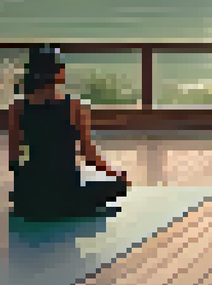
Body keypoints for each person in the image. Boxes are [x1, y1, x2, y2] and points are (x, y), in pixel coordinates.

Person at [8, 44, 130, 220]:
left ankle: (31, 199)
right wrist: (116, 174)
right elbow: (89, 156)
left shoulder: (17, 108)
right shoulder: (75, 107)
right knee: (119, 186)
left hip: (30, 199)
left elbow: (14, 159)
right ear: (59, 74)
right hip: (67, 196)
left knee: (29, 192)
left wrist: (25, 187)